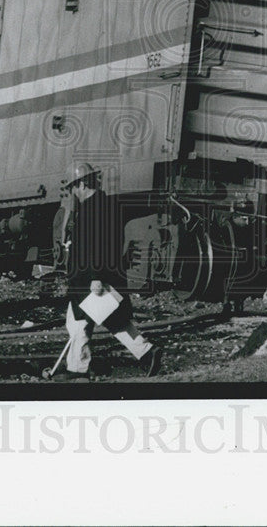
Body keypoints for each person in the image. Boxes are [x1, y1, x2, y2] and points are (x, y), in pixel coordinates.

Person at [60, 162, 162, 378]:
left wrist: (96, 277)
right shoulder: (100, 205)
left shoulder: (95, 208)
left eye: (73, 187)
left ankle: (79, 367)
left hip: (92, 277)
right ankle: (145, 352)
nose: (72, 192)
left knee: (90, 321)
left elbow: (100, 244)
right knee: (96, 320)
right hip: (89, 277)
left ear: (82, 183)